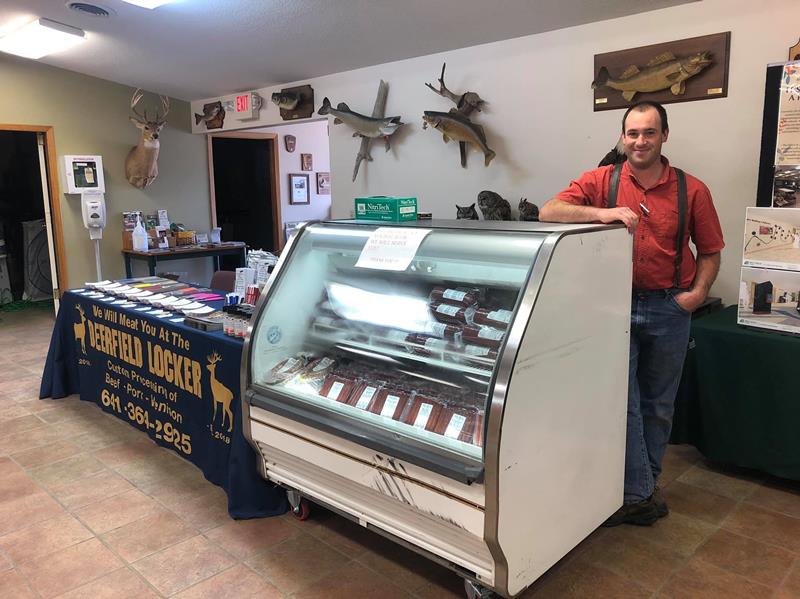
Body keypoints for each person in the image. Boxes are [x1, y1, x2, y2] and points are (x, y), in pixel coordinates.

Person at [539, 100, 724, 526]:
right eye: (633, 133)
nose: (640, 141)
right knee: (620, 402)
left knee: (658, 404)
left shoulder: (692, 189)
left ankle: (640, 488)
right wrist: (601, 213)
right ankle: (637, 493)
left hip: (669, 306)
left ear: (664, 136)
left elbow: (711, 250)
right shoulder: (602, 180)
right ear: (623, 137)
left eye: (649, 132)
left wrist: (696, 295)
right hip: (611, 307)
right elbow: (548, 211)